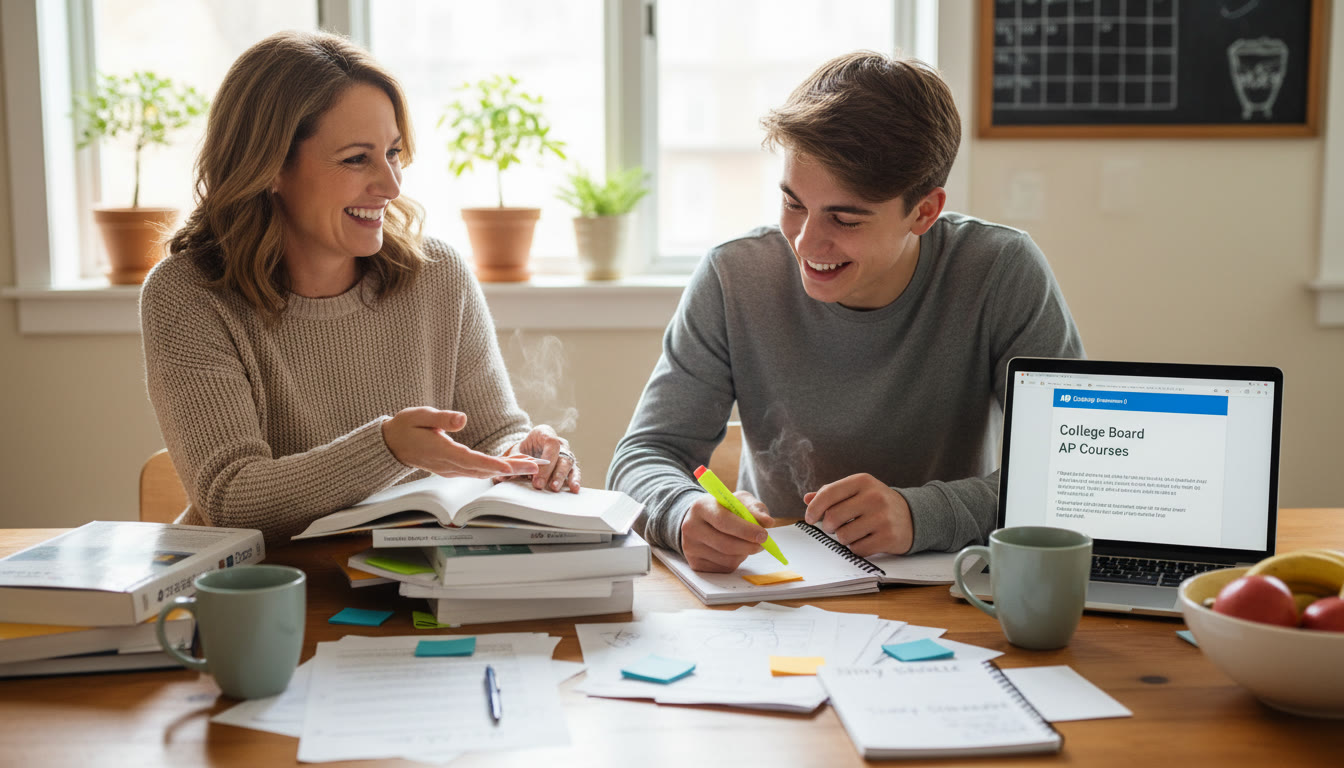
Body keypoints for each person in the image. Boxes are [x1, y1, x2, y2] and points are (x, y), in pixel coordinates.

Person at [608, 51, 1083, 573]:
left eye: (845, 218)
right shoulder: (733, 276)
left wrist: (919, 514)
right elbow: (644, 455)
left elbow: (1067, 471)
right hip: (778, 590)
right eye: (793, 204)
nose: (807, 241)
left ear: (924, 211)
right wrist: (680, 512)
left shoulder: (1000, 271)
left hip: (953, 589)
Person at [141, 31, 579, 547]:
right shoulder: (188, 295)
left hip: (412, 585)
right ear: (270, 168)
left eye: (393, 153)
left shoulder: (438, 275)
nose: (391, 186)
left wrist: (529, 451)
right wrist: (389, 448)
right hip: (260, 594)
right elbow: (231, 497)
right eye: (356, 159)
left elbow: (489, 436)